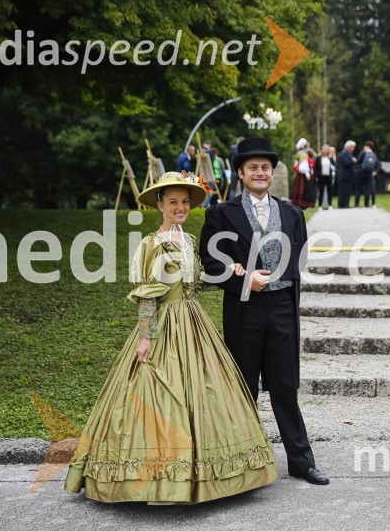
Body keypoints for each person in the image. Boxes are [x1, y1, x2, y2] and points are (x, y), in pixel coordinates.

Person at [64, 171, 278, 503]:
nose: (180, 207)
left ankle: (211, 475)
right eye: (173, 202)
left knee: (205, 394)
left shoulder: (189, 241)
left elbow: (196, 282)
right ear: (160, 205)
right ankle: (156, 478)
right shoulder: (151, 243)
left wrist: (233, 270)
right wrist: (146, 336)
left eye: (185, 202)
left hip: (194, 322)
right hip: (165, 325)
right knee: (159, 395)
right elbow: (149, 294)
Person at [199, 137, 330, 486]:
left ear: (272, 173)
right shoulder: (220, 214)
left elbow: (298, 258)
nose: (260, 173)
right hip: (245, 309)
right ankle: (241, 463)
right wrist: (242, 279)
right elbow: (210, 263)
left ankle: (301, 462)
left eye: (265, 168)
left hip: (283, 306)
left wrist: (279, 278)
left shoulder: (292, 213)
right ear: (240, 172)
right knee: (244, 386)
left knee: (286, 386)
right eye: (253, 167)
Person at [291, 138, 315, 209]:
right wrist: (307, 174)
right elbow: (303, 166)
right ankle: (304, 204)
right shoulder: (303, 154)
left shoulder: (299, 153)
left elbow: (296, 165)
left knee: (298, 188)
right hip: (302, 174)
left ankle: (297, 203)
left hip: (299, 174)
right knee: (304, 189)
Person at [355, 141, 378, 208]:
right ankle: (366, 204)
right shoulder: (374, 154)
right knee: (367, 189)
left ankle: (356, 204)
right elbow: (376, 164)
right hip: (369, 173)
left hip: (360, 172)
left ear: (367, 146)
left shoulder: (362, 153)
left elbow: (358, 161)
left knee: (358, 188)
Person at [337, 140, 356, 208]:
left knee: (346, 190)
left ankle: (344, 204)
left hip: (346, 175)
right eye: (352, 147)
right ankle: (344, 204)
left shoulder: (347, 153)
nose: (353, 148)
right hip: (345, 175)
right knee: (345, 190)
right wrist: (353, 160)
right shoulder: (345, 153)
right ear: (348, 146)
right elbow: (346, 163)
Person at [317, 144, 335, 209]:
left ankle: (330, 205)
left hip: (328, 177)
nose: (325, 151)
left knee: (329, 191)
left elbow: (333, 167)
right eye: (324, 149)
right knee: (321, 191)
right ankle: (320, 206)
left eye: (326, 150)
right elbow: (316, 168)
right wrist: (317, 176)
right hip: (321, 177)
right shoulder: (318, 158)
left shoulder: (330, 158)